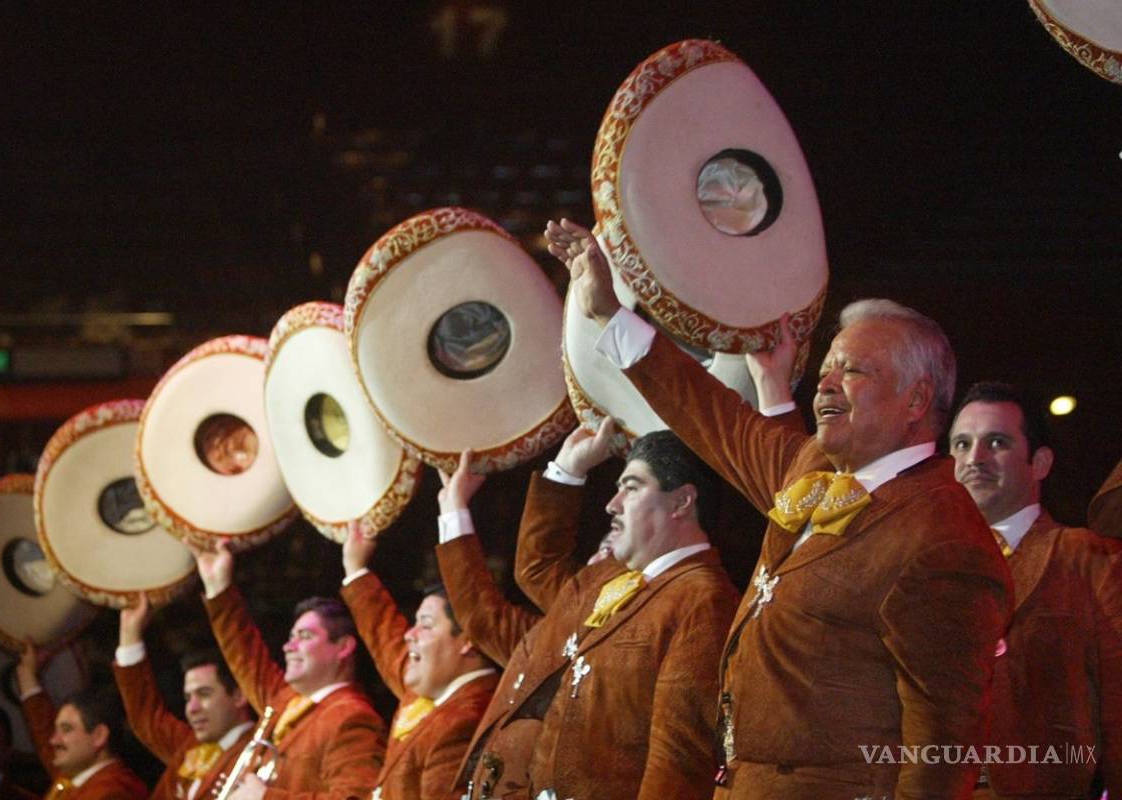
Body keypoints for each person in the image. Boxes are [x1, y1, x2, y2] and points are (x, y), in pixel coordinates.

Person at [548, 217, 1014, 799]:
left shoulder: (945, 537)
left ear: (917, 399)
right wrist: (607, 314)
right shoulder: (814, 473)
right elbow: (712, 417)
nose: (824, 385)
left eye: (854, 371)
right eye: (824, 371)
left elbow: (944, 750)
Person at [442, 422, 740, 800]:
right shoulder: (611, 578)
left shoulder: (705, 599)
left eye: (631, 488)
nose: (611, 505)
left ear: (682, 501)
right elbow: (537, 569)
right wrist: (566, 469)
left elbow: (677, 761)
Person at [949, 381, 1122, 797]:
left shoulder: (1088, 557)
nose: (975, 458)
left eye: (997, 442)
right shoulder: (925, 568)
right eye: (961, 443)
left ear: (1040, 462)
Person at [191, 540, 385, 800]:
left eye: (304, 636)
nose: (288, 646)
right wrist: (218, 587)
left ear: (343, 647)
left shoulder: (353, 718)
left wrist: (264, 798)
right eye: (291, 636)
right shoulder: (285, 700)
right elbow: (246, 656)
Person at [339, 523, 499, 800]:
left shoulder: (466, 720)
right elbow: (384, 636)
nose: (409, 635)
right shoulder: (434, 693)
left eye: (425, 625)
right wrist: (355, 567)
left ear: (468, 640)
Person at [111, 592, 255, 800]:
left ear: (239, 695)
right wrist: (129, 633)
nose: (192, 708)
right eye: (188, 698)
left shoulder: (261, 752)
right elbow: (146, 717)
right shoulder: (189, 744)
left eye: (204, 694)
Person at [15, 645, 146, 800]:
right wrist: (26, 674)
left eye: (66, 729)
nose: (53, 740)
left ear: (99, 736)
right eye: (56, 730)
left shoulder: (113, 792)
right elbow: (43, 730)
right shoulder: (81, 776)